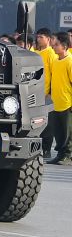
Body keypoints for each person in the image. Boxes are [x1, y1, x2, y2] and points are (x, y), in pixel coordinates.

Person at [48, 33, 72, 164]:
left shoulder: (70, 61)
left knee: (68, 133)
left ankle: (68, 156)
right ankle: (60, 155)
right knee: (58, 132)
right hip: (55, 103)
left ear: (64, 46)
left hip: (67, 104)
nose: (54, 47)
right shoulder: (56, 61)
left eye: (56, 44)